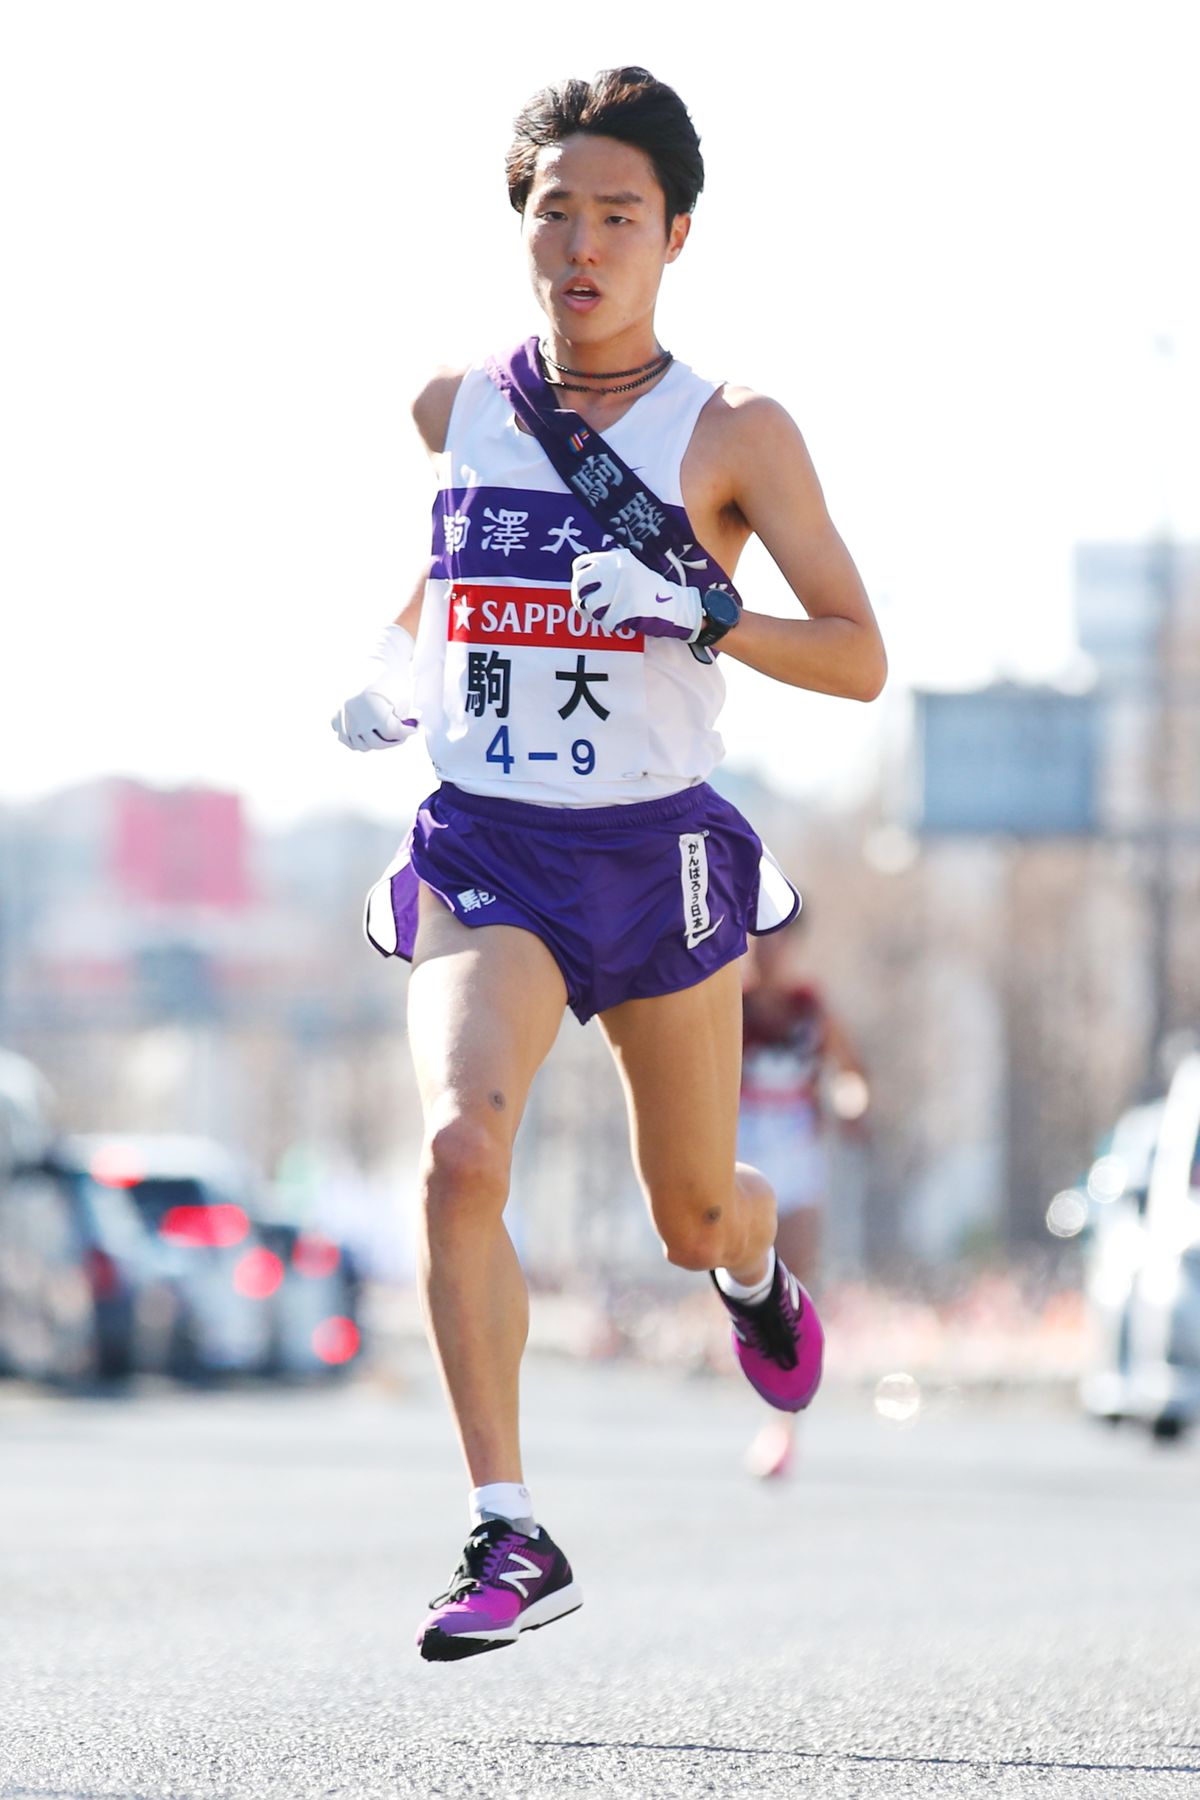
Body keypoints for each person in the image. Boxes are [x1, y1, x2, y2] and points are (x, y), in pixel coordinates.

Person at [332, 66, 886, 1662]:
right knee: (458, 1154)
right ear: (521, 228)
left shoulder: (734, 432)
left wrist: (709, 612)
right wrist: (396, 652)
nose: (580, 245)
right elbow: (455, 551)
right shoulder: (458, 403)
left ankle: (753, 1261)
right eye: (552, 212)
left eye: (617, 217)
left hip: (653, 853)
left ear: (677, 236)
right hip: (487, 841)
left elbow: (859, 657)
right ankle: (508, 1530)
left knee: (690, 1213)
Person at [737, 913, 870, 1479]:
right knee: (747, 1286)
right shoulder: (727, 1004)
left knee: (792, 1290)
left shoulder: (812, 1009)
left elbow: (851, 1072)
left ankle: (781, 1427)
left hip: (798, 1161)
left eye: (780, 940)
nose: (770, 950)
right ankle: (756, 1376)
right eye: (760, 940)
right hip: (738, 1157)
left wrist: (850, 1100)